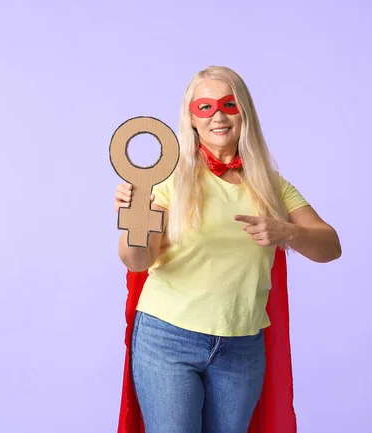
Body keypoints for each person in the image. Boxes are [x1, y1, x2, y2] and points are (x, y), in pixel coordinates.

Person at [113, 65, 341, 433]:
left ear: (244, 112)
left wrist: (286, 231)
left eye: (228, 104)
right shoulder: (169, 178)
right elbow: (138, 259)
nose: (218, 116)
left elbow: (330, 245)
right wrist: (135, 218)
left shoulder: (271, 185)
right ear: (191, 119)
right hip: (168, 338)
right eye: (205, 107)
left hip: (241, 344)